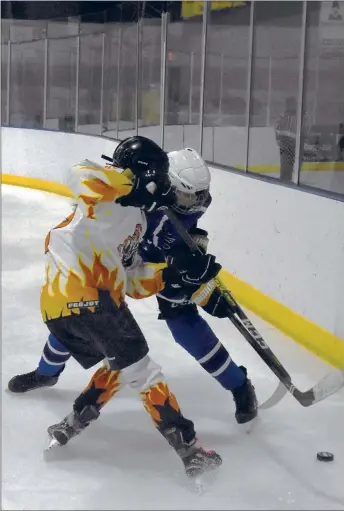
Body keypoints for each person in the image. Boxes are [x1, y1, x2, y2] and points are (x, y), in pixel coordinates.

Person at [8, 136, 223, 479]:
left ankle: (71, 423)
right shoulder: (104, 195)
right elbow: (78, 174)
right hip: (88, 299)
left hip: (64, 308)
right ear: (145, 176)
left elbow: (131, 280)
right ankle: (191, 451)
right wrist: (129, 183)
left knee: (121, 365)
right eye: (159, 178)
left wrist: (174, 272)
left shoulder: (136, 220)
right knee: (146, 373)